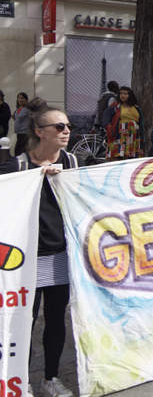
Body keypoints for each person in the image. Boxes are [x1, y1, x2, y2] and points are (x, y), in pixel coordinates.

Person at [0, 98, 81, 397]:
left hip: (61, 256)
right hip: (26, 261)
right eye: (59, 126)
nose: (66, 131)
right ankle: (20, 380)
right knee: (24, 320)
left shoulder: (72, 162)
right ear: (40, 131)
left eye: (68, 126)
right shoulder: (17, 166)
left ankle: (51, 377)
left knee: (56, 319)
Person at [103, 86, 143, 160]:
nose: (122, 95)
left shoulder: (136, 108)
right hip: (119, 136)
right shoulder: (115, 107)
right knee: (118, 159)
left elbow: (141, 123)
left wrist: (142, 138)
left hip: (133, 137)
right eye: (121, 93)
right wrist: (109, 128)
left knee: (131, 159)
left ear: (130, 95)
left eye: (125, 93)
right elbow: (106, 118)